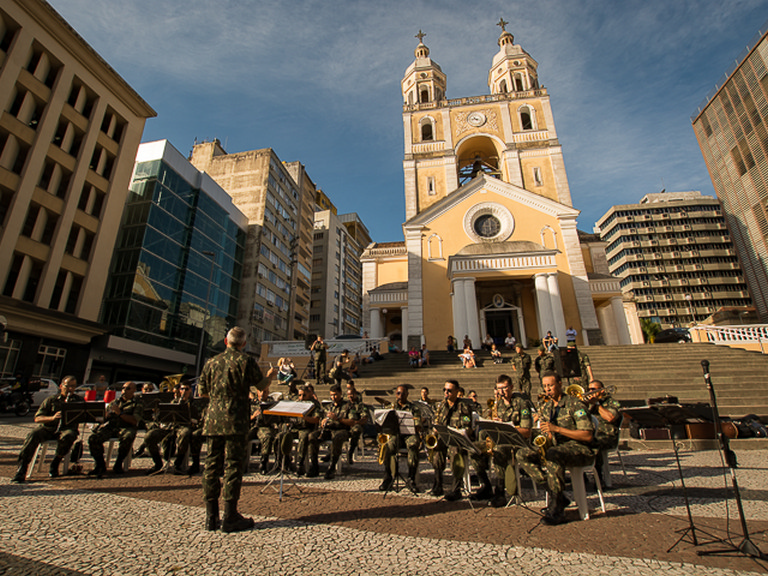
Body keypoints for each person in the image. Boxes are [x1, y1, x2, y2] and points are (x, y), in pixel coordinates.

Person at [199, 326, 275, 533]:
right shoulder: (245, 361)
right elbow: (261, 387)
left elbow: (203, 392)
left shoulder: (211, 362)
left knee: (211, 466)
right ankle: (230, 515)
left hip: (213, 420)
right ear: (243, 344)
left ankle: (210, 516)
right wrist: (270, 376)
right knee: (233, 466)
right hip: (236, 420)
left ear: (226, 342)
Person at [516, 372, 594, 525]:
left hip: (579, 448)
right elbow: (547, 433)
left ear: (560, 384)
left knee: (552, 454)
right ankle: (555, 493)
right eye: (545, 386)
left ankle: (557, 509)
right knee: (522, 454)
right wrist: (547, 437)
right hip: (556, 448)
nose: (547, 389)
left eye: (550, 385)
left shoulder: (575, 404)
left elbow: (587, 436)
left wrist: (557, 429)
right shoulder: (546, 407)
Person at [470, 374, 533, 507]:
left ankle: (500, 492)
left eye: (504, 388)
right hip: (500, 440)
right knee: (473, 448)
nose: (501, 392)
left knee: (497, 450)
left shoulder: (522, 404)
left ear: (511, 387)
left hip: (517, 443)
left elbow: (527, 431)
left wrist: (507, 426)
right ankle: (486, 485)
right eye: (499, 389)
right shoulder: (498, 405)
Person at [12, 376, 81, 482]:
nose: (70, 389)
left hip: (66, 429)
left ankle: (56, 461)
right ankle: (22, 467)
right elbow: (38, 418)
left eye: (73, 387)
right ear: (61, 386)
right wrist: (52, 418)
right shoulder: (51, 400)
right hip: (49, 428)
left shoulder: (78, 401)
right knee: (33, 434)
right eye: (68, 386)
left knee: (69, 435)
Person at [428, 379, 474, 500]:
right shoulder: (441, 405)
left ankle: (456, 488)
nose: (446, 392)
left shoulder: (463, 407)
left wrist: (458, 430)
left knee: (455, 450)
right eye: (445, 390)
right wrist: (435, 430)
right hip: (444, 437)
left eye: (449, 390)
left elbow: (467, 427)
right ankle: (438, 484)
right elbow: (435, 421)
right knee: (437, 451)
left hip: (457, 439)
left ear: (457, 391)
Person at [145, 381, 204, 475]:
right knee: (150, 435)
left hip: (184, 427)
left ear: (190, 391)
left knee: (185, 434)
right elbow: (164, 418)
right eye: (182, 389)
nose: (184, 391)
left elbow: (197, 419)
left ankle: (178, 463)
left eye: (186, 389)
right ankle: (158, 463)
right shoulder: (174, 402)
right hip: (171, 427)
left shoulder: (194, 403)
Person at [88, 381, 143, 477]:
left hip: (126, 427)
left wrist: (120, 413)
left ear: (134, 390)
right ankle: (100, 464)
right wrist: (104, 416)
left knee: (128, 436)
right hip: (112, 427)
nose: (124, 390)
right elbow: (104, 418)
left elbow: (135, 421)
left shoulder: (137, 403)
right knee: (94, 438)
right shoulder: (115, 402)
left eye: (128, 388)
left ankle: (119, 463)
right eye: (123, 388)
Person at [379, 384, 422, 494]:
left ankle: (411, 478)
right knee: (388, 446)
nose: (400, 396)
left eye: (403, 393)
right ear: (395, 394)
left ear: (407, 394)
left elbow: (417, 426)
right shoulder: (391, 408)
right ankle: (388, 477)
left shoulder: (414, 408)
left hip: (409, 435)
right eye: (398, 393)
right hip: (395, 435)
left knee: (413, 445)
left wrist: (414, 424)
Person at [586, 379, 621, 486]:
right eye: (589, 389)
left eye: (593, 389)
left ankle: (599, 476)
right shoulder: (588, 404)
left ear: (602, 390)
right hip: (591, 433)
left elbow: (610, 418)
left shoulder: (611, 402)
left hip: (607, 435)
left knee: (596, 442)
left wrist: (597, 404)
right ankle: (581, 476)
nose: (590, 392)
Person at [317, 384, 352, 479]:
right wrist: (322, 422)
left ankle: (332, 467)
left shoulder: (348, 405)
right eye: (331, 395)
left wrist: (338, 419)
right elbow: (322, 417)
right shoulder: (328, 406)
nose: (333, 397)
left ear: (341, 393)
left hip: (342, 429)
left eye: (335, 395)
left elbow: (352, 422)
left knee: (337, 438)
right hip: (329, 429)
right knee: (312, 436)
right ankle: (314, 464)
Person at [247, 386, 280, 475]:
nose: (262, 394)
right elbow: (245, 417)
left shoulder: (271, 403)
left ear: (268, 392)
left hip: (264, 427)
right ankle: (241, 463)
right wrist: (253, 416)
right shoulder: (252, 402)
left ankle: (263, 463)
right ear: (257, 392)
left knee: (267, 437)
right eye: (260, 391)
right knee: (241, 437)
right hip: (252, 426)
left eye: (265, 391)